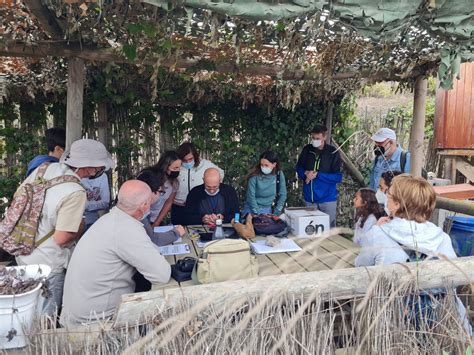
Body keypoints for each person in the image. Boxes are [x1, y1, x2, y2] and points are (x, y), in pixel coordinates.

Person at [355, 174, 471, 334]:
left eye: (388, 195)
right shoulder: (441, 237)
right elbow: (454, 279)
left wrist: (376, 227)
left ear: (396, 205)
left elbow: (360, 267)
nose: (385, 198)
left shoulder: (377, 234)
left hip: (392, 323)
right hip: (442, 322)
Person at [16, 138, 115, 316]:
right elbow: (62, 238)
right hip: (48, 264)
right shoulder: (75, 191)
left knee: (26, 312)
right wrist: (81, 225)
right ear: (91, 167)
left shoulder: (44, 169)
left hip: (23, 250)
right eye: (100, 167)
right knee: (45, 317)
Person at [60, 180, 171, 326]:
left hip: (75, 314)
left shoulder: (109, 219)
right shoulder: (126, 229)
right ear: (144, 206)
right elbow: (161, 275)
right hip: (95, 322)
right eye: (149, 202)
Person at [295, 124, 342, 227]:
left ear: (324, 137)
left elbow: (338, 177)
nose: (314, 140)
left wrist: (318, 175)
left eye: (317, 138)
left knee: (328, 231)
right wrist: (305, 173)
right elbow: (298, 167)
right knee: (310, 230)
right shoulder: (307, 150)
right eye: (313, 138)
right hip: (310, 200)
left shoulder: (333, 153)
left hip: (327, 200)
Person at [172, 142, 224, 224]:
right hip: (179, 206)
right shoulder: (177, 166)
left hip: (197, 206)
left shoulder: (205, 164)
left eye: (190, 159)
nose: (188, 162)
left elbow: (220, 173)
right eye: (184, 160)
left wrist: (212, 187)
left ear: (195, 156)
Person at [137, 169, 186, 246]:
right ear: (153, 192)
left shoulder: (133, 203)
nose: (160, 195)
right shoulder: (139, 211)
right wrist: (176, 233)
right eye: (161, 192)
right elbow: (152, 239)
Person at [243, 150, 287, 216]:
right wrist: (258, 213)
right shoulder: (254, 176)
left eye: (266, 165)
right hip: (251, 209)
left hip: (268, 209)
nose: (263, 167)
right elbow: (251, 197)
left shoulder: (279, 175)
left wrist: (277, 210)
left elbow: (283, 194)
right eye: (262, 165)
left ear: (274, 164)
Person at [148, 151, 182, 227]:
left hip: (158, 218)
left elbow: (169, 202)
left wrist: (157, 222)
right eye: (175, 168)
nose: (178, 170)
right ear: (165, 166)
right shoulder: (150, 177)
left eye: (179, 167)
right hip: (143, 216)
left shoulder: (174, 182)